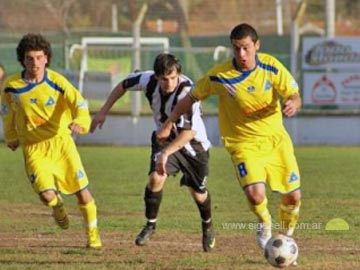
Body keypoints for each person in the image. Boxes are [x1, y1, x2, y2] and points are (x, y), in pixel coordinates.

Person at [157, 23, 302, 253]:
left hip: (276, 142)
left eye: (245, 48)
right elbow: (191, 98)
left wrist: (294, 101)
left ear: (257, 45)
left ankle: (285, 238)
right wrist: (169, 122)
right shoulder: (220, 76)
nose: (241, 54)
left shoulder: (271, 67)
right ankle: (264, 223)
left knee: (293, 197)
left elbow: (293, 93)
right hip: (242, 143)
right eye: (236, 49)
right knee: (256, 196)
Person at [90, 53, 215, 252]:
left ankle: (207, 225)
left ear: (179, 74)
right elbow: (123, 85)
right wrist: (104, 110)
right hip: (164, 140)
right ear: (156, 77)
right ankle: (150, 224)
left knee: (199, 193)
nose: (169, 83)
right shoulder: (148, 80)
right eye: (164, 79)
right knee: (156, 178)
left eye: (173, 77)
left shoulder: (188, 92)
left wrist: (166, 153)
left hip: (193, 146)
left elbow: (189, 132)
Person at [1, 33, 101, 248]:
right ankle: (57, 207)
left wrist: (81, 122)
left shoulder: (57, 81)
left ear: (46, 58)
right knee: (47, 196)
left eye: (39, 57)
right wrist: (10, 136)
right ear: (23, 60)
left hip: (62, 144)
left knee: (82, 193)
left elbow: (80, 104)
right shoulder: (12, 86)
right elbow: (7, 112)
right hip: (34, 148)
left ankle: (93, 237)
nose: (34, 63)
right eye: (29, 58)